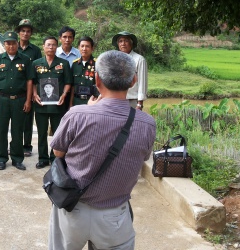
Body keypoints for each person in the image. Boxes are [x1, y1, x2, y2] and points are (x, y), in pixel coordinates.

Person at [48, 50, 156, 250]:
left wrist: (89, 109)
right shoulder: (147, 123)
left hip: (73, 209)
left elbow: (58, 153)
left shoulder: (77, 115)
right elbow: (143, 156)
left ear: (96, 80)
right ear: (133, 81)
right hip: (114, 216)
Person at [0, 31, 34, 170]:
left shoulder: (25, 60)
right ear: (4, 44)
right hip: (2, 100)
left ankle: (17, 158)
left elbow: (29, 81)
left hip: (19, 100)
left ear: (17, 44)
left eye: (13, 43)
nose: (10, 46)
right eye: (8, 43)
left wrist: (28, 100)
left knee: (17, 130)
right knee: (1, 130)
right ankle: (1, 158)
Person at [32, 36, 73, 168]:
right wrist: (34, 94)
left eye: (54, 45)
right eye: (48, 45)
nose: (51, 47)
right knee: (41, 133)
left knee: (57, 133)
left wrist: (64, 94)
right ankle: (43, 158)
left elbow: (68, 82)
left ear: (57, 47)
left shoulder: (63, 64)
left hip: (58, 105)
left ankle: (55, 158)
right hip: (41, 105)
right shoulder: (36, 63)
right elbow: (32, 82)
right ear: (43, 47)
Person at [16, 19, 42, 157]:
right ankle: (16, 144)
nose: (25, 33)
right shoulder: (13, 47)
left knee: (27, 119)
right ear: (18, 32)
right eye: (23, 31)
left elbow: (38, 72)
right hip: (16, 88)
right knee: (15, 119)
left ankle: (27, 146)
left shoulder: (35, 50)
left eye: (28, 31)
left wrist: (34, 92)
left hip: (29, 89)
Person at [112, 31, 148, 110]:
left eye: (126, 41)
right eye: (120, 41)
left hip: (132, 101)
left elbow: (142, 82)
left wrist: (140, 104)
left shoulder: (139, 59)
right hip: (116, 100)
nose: (123, 44)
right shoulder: (114, 59)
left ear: (131, 43)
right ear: (118, 44)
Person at [70, 36, 96, 107]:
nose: (84, 49)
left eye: (87, 46)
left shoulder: (97, 64)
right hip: (76, 101)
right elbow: (72, 86)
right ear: (78, 48)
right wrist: (70, 104)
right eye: (82, 46)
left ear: (92, 48)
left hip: (91, 102)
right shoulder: (75, 64)